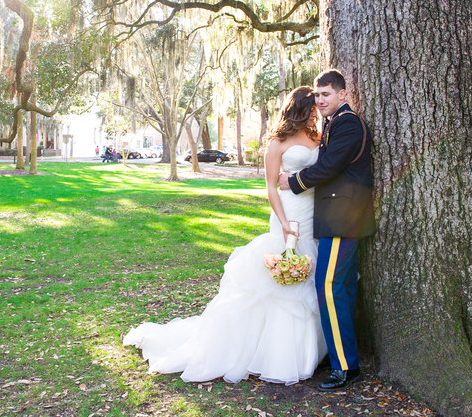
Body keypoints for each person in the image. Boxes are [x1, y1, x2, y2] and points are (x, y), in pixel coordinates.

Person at [123, 87, 327, 384]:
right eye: (310, 108)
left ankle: (308, 351)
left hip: (313, 212)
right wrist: (283, 222)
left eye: (316, 109)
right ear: (298, 108)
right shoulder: (278, 142)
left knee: (309, 272)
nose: (314, 112)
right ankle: (276, 355)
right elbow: (271, 187)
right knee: (284, 280)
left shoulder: (318, 136)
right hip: (289, 212)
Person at [278, 69, 374, 390]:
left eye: (326, 95)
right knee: (341, 290)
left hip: (343, 219)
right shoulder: (333, 124)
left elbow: (329, 165)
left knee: (329, 288)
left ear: (342, 95)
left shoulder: (349, 123)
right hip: (338, 219)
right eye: (317, 96)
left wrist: (293, 182)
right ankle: (346, 360)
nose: (320, 101)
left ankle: (344, 367)